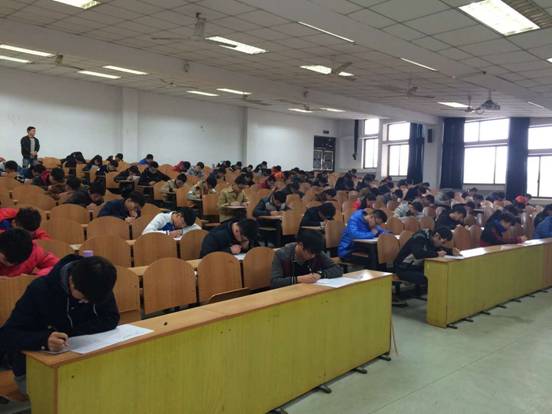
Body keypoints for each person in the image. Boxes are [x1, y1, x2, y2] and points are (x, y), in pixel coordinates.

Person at [0, 255, 119, 394]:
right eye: (84, 298)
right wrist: (44, 340)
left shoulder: (99, 283)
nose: (87, 302)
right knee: (81, 391)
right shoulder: (40, 290)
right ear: (72, 282)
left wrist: (71, 334)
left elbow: (111, 318)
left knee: (115, 381)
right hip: (36, 367)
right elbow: (8, 335)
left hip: (83, 358)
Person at [271, 230, 342, 288]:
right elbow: (275, 282)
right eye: (310, 253)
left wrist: (320, 274)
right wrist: (298, 279)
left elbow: (337, 269)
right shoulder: (282, 255)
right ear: (300, 245)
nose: (313, 256)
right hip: (289, 292)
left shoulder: (316, 252)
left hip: (310, 290)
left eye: (315, 253)